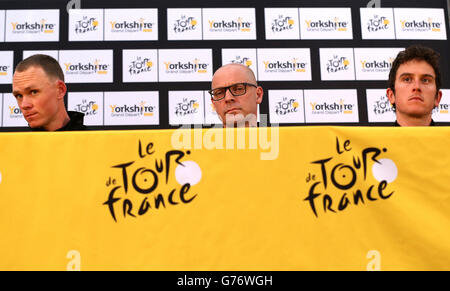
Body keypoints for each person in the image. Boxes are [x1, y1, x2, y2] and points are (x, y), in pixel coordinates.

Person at [12, 54, 86, 131]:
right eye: (19, 96)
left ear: (60, 90)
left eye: (33, 92)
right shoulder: (12, 143)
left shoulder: (94, 142)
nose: (24, 105)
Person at [386, 45, 442, 126]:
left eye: (425, 80)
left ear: (437, 97)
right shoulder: (373, 139)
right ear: (391, 95)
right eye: (407, 79)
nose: (417, 87)